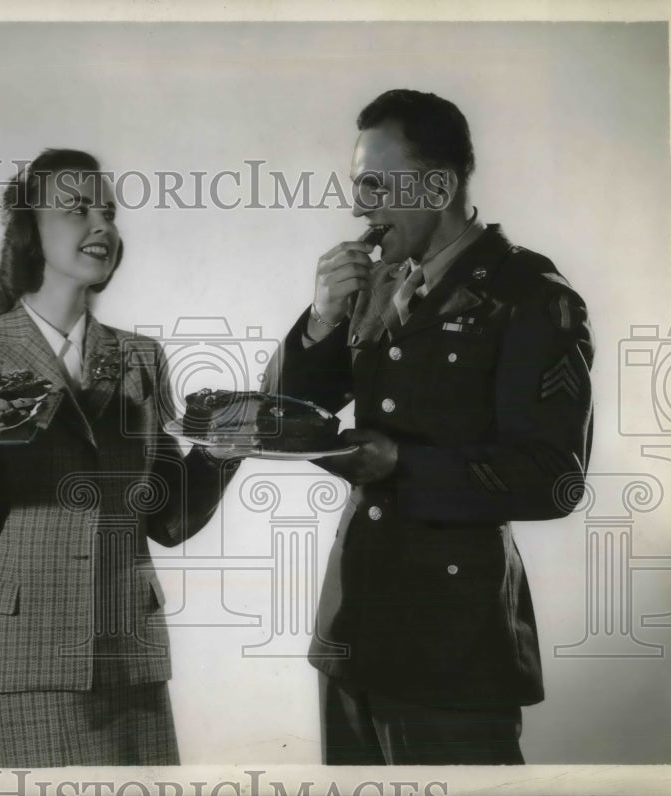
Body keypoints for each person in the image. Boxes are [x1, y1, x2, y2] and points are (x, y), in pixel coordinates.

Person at [270, 89, 594, 765]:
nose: (360, 207)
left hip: (454, 647)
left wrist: (399, 464)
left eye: (375, 186)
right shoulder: (378, 282)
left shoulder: (531, 295)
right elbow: (285, 417)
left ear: (440, 184)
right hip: (353, 631)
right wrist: (322, 319)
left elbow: (553, 478)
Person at [0, 148, 239, 767]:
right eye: (75, 209)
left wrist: (225, 450)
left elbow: (167, 519)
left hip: (129, 659)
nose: (102, 226)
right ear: (27, 232)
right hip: (21, 661)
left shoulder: (140, 358)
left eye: (108, 212)